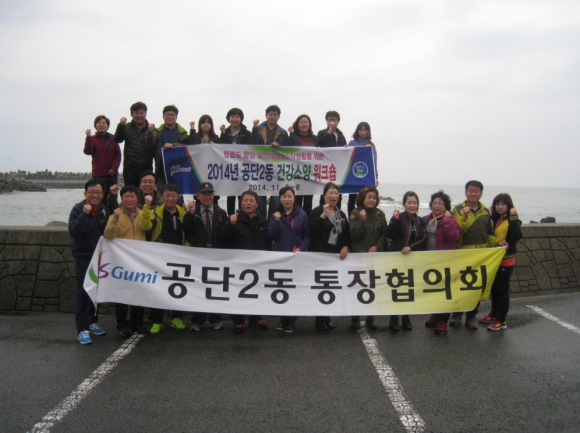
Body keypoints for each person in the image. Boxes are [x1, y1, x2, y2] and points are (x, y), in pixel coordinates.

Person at [449, 180, 506, 329]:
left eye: (476, 191)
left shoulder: (485, 212)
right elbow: (457, 231)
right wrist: (465, 216)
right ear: (465, 193)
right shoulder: (457, 209)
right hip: (463, 255)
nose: (473, 194)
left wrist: (497, 242)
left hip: (481, 256)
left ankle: (471, 316)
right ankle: (456, 314)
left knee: (476, 288)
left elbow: (489, 234)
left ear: (481, 194)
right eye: (470, 191)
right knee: (460, 286)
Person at [140, 184, 189, 334]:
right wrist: (146, 207)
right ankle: (157, 320)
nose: (170, 198)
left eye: (173, 196)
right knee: (158, 290)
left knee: (178, 288)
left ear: (177, 197)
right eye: (167, 195)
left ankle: (177, 318)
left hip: (179, 257)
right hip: (160, 257)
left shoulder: (183, 213)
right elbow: (145, 226)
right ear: (162, 196)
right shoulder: (156, 212)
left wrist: (192, 213)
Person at [222, 190, 271, 334]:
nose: (248, 203)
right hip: (239, 264)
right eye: (245, 201)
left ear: (256, 204)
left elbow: (268, 243)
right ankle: (238, 321)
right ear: (241, 203)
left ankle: (256, 319)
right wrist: (230, 224)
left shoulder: (263, 221)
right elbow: (223, 239)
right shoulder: (234, 220)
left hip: (258, 264)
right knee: (238, 292)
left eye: (251, 201)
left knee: (257, 292)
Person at [183, 182, 229, 331]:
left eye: (210, 194)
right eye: (204, 194)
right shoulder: (193, 212)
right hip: (199, 255)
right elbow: (187, 230)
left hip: (216, 255)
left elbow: (225, 235)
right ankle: (197, 320)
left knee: (215, 287)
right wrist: (190, 214)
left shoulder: (221, 213)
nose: (207, 197)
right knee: (199, 288)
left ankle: (216, 319)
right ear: (197, 196)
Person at [68, 180, 110, 344]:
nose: (95, 195)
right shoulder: (78, 209)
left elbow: (105, 230)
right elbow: (74, 231)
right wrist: (84, 215)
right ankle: (81, 329)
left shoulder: (104, 210)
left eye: (98, 192)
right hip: (83, 257)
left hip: (98, 257)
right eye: (92, 192)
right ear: (85, 194)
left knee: (95, 290)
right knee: (83, 292)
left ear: (102, 195)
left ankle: (91, 321)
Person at [103, 185, 147, 337]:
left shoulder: (143, 214)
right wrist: (115, 218)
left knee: (139, 293)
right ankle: (122, 324)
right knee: (122, 294)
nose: (129, 200)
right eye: (126, 197)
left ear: (137, 198)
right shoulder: (116, 215)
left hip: (140, 260)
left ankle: (137, 322)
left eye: (132, 196)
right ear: (122, 199)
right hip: (122, 261)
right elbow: (108, 235)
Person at [267, 186, 311, 333]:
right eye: (284, 196)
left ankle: (292, 320)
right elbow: (270, 236)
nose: (287, 199)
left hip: (296, 258)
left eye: (289, 196)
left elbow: (307, 236)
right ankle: (283, 319)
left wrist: (301, 248)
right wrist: (276, 221)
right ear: (280, 199)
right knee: (282, 288)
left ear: (294, 198)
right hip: (281, 258)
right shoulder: (275, 215)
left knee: (294, 289)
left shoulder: (302, 215)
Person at [309, 182, 350, 331]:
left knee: (332, 287)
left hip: (335, 257)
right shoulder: (316, 211)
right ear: (324, 195)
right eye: (330, 193)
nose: (333, 196)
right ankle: (319, 319)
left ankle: (327, 317)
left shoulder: (341, 214)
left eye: (336, 193)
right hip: (320, 256)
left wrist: (346, 246)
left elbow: (346, 235)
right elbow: (312, 231)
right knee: (320, 288)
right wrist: (323, 215)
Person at [478, 193, 522, 331]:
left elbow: (516, 235)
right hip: (494, 260)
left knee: (502, 290)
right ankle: (493, 314)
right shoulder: (495, 219)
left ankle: (501, 320)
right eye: (497, 204)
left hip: (506, 260)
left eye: (503, 204)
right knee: (494, 289)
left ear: (509, 206)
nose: (500, 207)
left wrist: (514, 217)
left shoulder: (512, 220)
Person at [385, 191, 426, 331]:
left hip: (411, 259)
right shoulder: (398, 217)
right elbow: (389, 235)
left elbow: (423, 238)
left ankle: (406, 317)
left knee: (409, 289)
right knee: (396, 288)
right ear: (404, 204)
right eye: (409, 203)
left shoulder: (420, 220)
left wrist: (410, 247)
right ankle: (393, 318)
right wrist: (395, 220)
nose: (412, 205)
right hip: (396, 258)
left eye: (415, 203)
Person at [422, 191, 461, 335]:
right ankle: (435, 315)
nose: (436, 206)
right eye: (434, 203)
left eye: (440, 203)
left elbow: (454, 237)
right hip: (429, 261)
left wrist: (448, 222)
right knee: (432, 289)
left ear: (446, 206)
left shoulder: (450, 220)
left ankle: (443, 321)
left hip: (444, 261)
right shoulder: (427, 219)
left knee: (445, 291)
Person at [349, 186, 387, 330]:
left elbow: (384, 234)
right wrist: (362, 220)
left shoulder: (380, 214)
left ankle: (371, 318)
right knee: (357, 287)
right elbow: (353, 234)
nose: (372, 200)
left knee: (373, 287)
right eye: (369, 197)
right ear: (363, 198)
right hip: (358, 257)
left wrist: (377, 247)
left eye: (374, 198)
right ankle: (355, 318)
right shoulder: (356, 213)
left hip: (374, 257)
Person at [251, 105, 288, 218]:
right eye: (270, 114)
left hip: (276, 168)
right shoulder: (258, 129)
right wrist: (254, 128)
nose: (272, 117)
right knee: (260, 198)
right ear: (266, 116)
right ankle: (261, 222)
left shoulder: (283, 132)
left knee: (275, 198)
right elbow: (253, 144)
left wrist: (279, 145)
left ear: (278, 117)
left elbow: (287, 149)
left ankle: (273, 222)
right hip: (260, 167)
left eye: (275, 115)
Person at [217, 108, 253, 215]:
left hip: (242, 168)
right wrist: (223, 133)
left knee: (242, 194)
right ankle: (231, 217)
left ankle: (242, 216)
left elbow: (251, 148)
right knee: (231, 195)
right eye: (232, 117)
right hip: (229, 168)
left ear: (241, 119)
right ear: (228, 118)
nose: (235, 119)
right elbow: (221, 148)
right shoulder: (225, 132)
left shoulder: (246, 133)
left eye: (237, 117)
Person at [114, 101, 155, 187]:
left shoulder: (151, 129)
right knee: (130, 192)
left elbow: (152, 148)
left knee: (146, 192)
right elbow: (117, 139)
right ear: (132, 114)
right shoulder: (126, 127)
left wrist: (150, 133)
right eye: (136, 113)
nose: (139, 115)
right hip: (130, 169)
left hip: (146, 168)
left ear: (145, 114)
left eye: (141, 113)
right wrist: (121, 125)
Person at [152, 105, 190, 193]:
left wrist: (173, 145)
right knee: (161, 194)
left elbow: (186, 146)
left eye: (172, 114)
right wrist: (149, 133)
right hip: (161, 169)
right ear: (163, 116)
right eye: (167, 114)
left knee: (177, 194)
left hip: (178, 169)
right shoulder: (157, 132)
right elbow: (150, 146)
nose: (170, 117)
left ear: (176, 117)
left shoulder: (182, 132)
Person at [84, 115, 122, 199]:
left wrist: (114, 168)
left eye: (104, 123)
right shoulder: (93, 139)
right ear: (95, 126)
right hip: (99, 174)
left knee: (112, 196)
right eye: (99, 123)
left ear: (107, 126)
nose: (101, 125)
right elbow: (87, 151)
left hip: (112, 175)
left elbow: (118, 155)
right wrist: (89, 138)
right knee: (99, 197)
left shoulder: (113, 139)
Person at [287, 114, 318, 215]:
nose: (304, 124)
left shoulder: (315, 138)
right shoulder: (293, 137)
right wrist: (292, 134)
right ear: (297, 124)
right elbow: (291, 150)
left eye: (306, 122)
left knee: (308, 201)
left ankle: (307, 222)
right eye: (301, 122)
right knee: (297, 200)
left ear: (309, 124)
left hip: (311, 173)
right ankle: (297, 221)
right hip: (297, 173)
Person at [346, 122, 378, 216]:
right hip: (353, 174)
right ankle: (351, 218)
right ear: (357, 131)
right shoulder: (352, 143)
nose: (362, 132)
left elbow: (374, 162)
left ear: (368, 131)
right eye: (360, 130)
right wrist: (345, 149)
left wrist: (375, 177)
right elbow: (346, 157)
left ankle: (364, 218)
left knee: (364, 198)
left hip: (365, 175)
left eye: (365, 130)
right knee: (352, 198)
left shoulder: (371, 145)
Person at [317, 110, 346, 208]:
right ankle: (323, 213)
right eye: (330, 120)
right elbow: (320, 144)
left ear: (338, 121)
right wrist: (329, 130)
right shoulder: (322, 133)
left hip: (338, 170)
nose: (332, 122)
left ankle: (337, 213)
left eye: (334, 120)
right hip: (326, 168)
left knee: (338, 194)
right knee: (325, 193)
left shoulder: (341, 135)